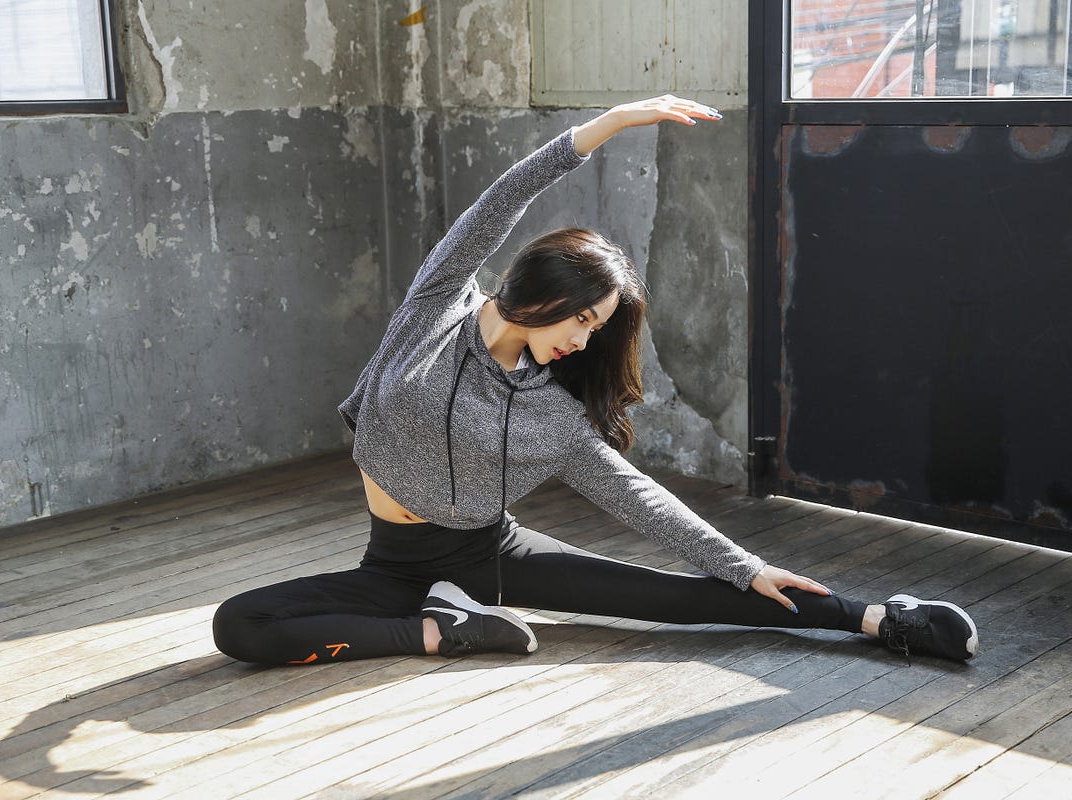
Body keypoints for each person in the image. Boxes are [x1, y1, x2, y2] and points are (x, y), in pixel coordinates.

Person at [212, 95, 978, 667]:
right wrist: (603, 128)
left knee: (684, 600)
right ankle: (441, 632)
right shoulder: (435, 308)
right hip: (396, 569)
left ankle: (879, 619)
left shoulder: (553, 413)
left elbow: (637, 497)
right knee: (237, 626)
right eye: (584, 321)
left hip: (488, 555)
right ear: (550, 294)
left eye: (596, 332)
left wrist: (743, 564)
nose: (584, 342)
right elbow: (497, 204)